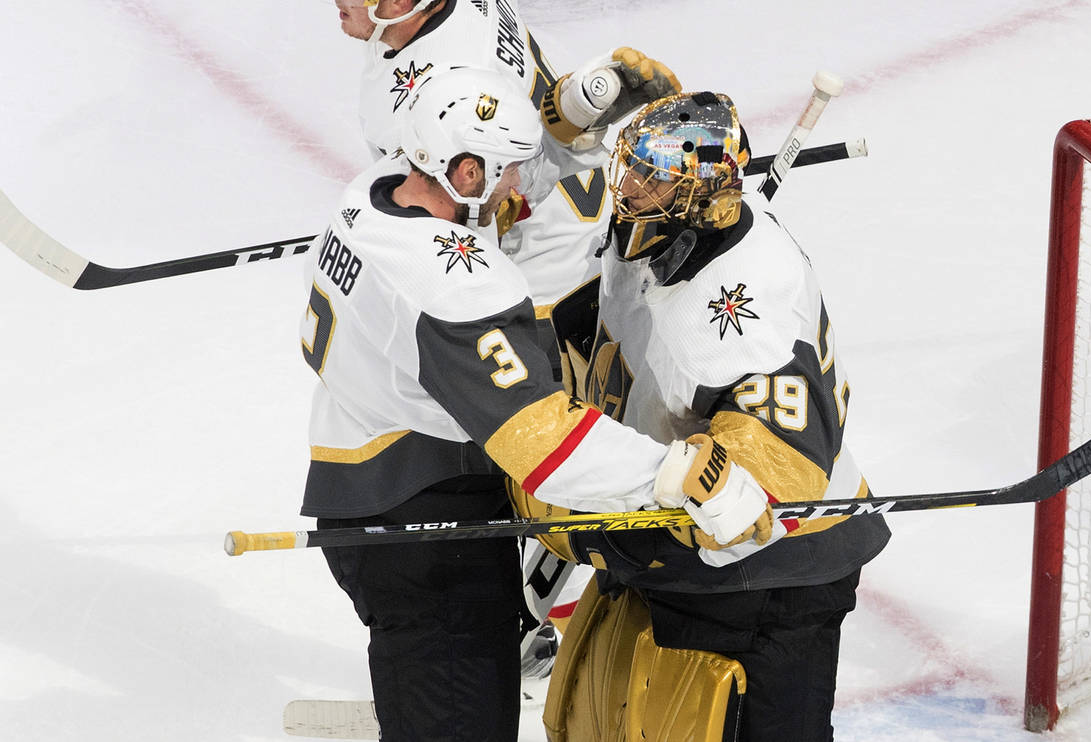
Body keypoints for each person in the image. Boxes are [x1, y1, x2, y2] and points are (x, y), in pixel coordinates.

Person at [298, 68, 780, 742]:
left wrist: (570, 119)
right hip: (426, 531)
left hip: (365, 478)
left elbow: (492, 187)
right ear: (464, 173)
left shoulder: (376, 191)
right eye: (508, 172)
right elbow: (545, 441)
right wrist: (676, 473)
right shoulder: (453, 285)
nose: (524, 188)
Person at [331, 1, 681, 667]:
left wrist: (396, 233)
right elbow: (529, 125)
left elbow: (503, 191)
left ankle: (522, 620)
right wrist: (578, 104)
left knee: (535, 451)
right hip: (574, 244)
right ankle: (527, 611)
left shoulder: (436, 75)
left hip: (531, 278)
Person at [540, 91, 892, 742]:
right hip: (715, 554)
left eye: (654, 176)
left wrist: (715, 470)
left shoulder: (740, 323)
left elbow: (782, 460)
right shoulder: (688, 225)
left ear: (698, 194)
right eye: (634, 166)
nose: (631, 185)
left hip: (780, 563)